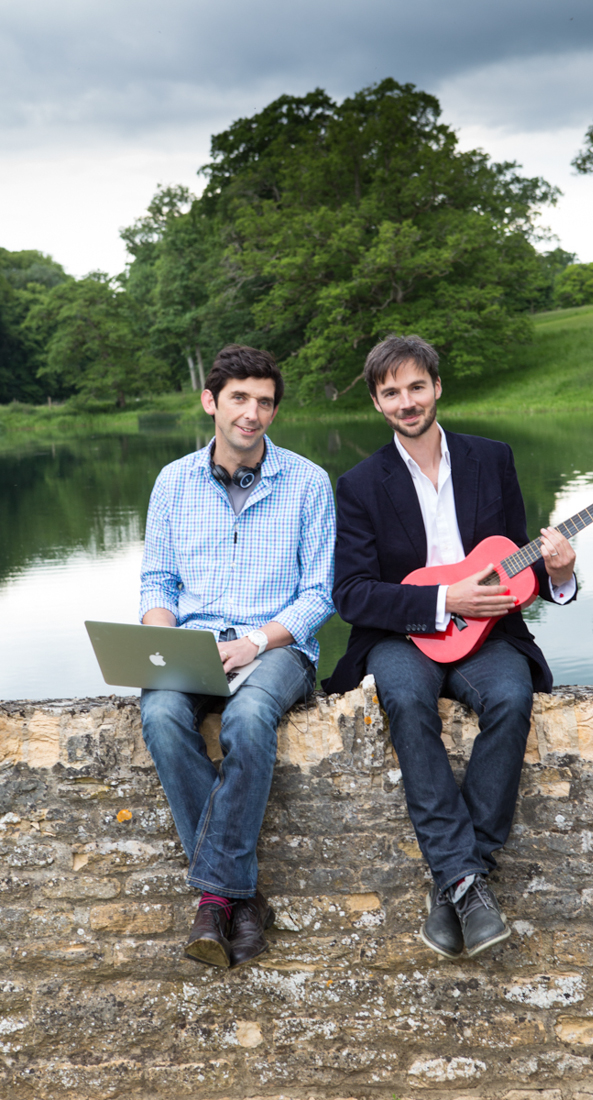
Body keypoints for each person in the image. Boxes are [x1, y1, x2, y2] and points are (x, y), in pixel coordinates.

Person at [323, 334, 577, 960]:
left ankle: (458, 880)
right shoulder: (359, 484)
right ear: (378, 403)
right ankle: (470, 883)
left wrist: (560, 573)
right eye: (392, 393)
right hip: (401, 636)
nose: (406, 402)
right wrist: (443, 601)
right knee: (406, 701)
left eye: (416, 386)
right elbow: (352, 594)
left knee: (512, 698)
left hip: (487, 635)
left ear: (437, 386)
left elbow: (516, 563)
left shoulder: (492, 458)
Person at [139, 344, 335, 968]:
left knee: (249, 720)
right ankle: (238, 898)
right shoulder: (173, 481)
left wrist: (253, 642)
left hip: (278, 645)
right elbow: (158, 582)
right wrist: (162, 642)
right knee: (160, 715)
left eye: (265, 402)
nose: (252, 413)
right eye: (239, 399)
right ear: (211, 401)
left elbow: (320, 594)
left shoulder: (309, 481)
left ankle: (213, 900)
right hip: (195, 641)